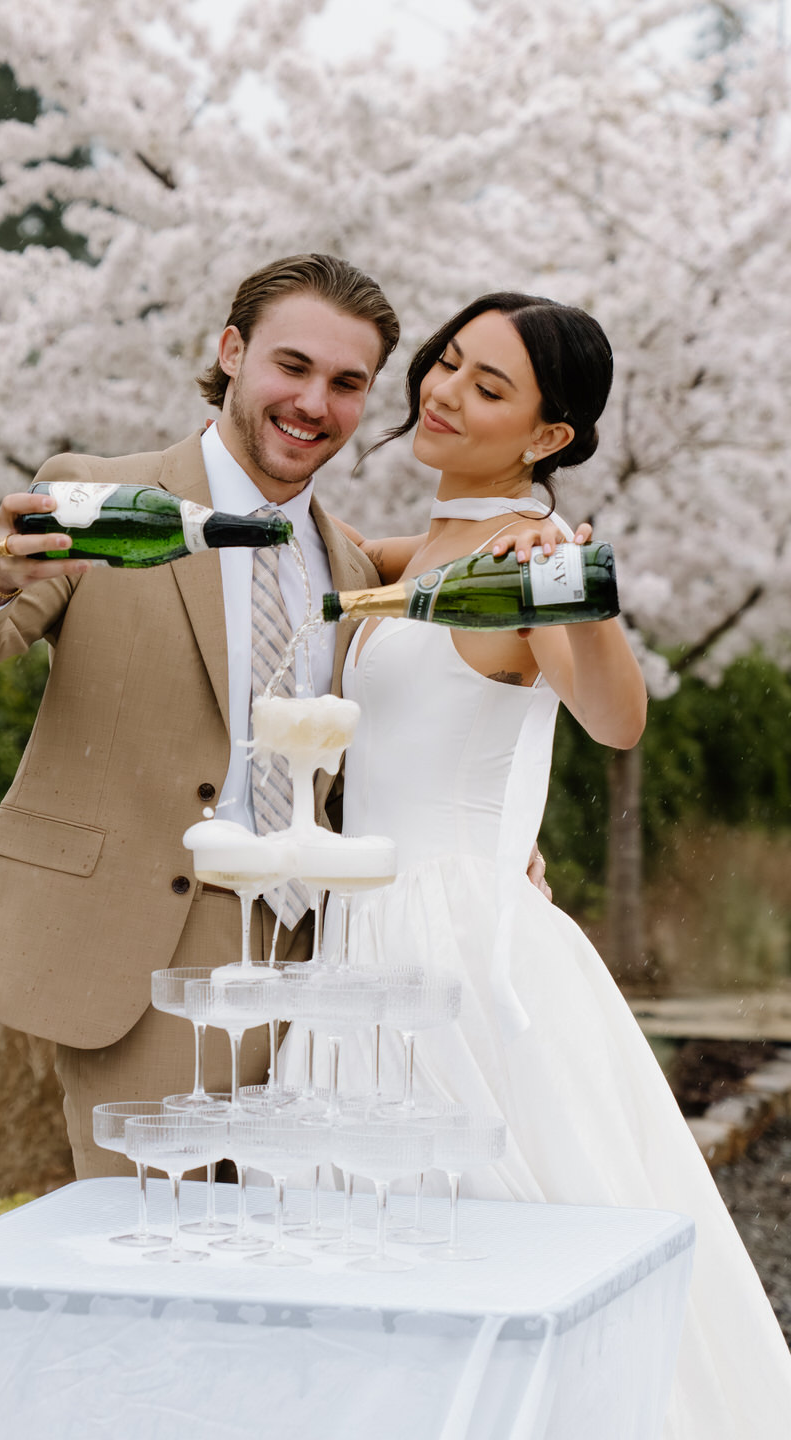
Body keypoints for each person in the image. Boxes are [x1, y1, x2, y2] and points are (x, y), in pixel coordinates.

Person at [279, 291, 791, 1437]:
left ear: (550, 437)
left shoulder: (534, 557)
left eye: (489, 387)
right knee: (357, 1269)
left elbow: (616, 720)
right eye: (448, 363)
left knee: (486, 1250)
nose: (445, 393)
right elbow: (322, 582)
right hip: (357, 938)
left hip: (457, 951)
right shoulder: (418, 544)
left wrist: (576, 585)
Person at [0, 253, 398, 1177]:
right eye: (292, 367)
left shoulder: (355, 570)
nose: (314, 404)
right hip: (148, 947)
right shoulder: (101, 497)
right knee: (155, 1252)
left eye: (347, 383)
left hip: (317, 963)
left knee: (290, 1264)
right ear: (232, 352)